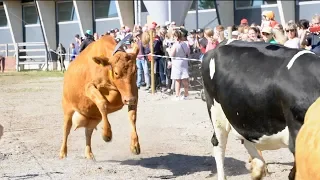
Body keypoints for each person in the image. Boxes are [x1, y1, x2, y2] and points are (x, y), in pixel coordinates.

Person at [167, 30, 190, 101]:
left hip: (177, 63)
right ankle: (186, 94)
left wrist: (168, 50)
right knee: (184, 79)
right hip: (184, 62)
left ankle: (177, 95)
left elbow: (172, 55)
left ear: (176, 37)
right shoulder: (185, 44)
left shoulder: (175, 45)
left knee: (177, 80)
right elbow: (188, 53)